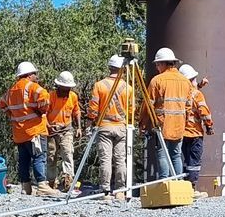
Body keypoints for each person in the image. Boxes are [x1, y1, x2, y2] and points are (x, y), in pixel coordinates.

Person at [0, 61, 53, 196]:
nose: (36, 76)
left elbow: (2, 104)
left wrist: (13, 115)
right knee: (39, 157)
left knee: (24, 160)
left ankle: (26, 187)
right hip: (34, 130)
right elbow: (45, 98)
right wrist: (42, 111)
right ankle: (42, 186)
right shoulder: (33, 87)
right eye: (34, 73)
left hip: (19, 133)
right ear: (28, 75)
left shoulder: (11, 91)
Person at [140, 47, 191, 180]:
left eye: (157, 64)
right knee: (176, 154)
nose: (157, 67)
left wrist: (143, 124)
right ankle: (178, 183)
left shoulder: (157, 81)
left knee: (162, 154)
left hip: (161, 125)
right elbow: (189, 106)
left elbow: (148, 105)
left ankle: (165, 182)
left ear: (163, 63)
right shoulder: (185, 81)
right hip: (179, 125)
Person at [87, 54, 132, 196]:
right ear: (122, 70)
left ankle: (105, 190)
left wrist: (89, 122)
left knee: (105, 159)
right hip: (121, 127)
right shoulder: (128, 88)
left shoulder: (99, 85)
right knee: (120, 160)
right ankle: (120, 190)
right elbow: (131, 110)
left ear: (109, 67)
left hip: (104, 126)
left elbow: (93, 108)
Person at [46, 70, 81, 191]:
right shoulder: (50, 96)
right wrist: (48, 126)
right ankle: (51, 182)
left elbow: (76, 112)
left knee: (67, 153)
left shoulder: (73, 96)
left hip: (67, 129)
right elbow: (44, 114)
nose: (67, 90)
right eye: (65, 87)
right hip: (52, 130)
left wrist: (79, 128)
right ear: (59, 86)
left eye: (68, 88)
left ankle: (68, 180)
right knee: (51, 156)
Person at [179, 63, 213, 186]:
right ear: (192, 79)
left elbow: (189, 98)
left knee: (186, 160)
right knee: (194, 162)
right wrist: (209, 125)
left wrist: (199, 85)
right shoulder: (197, 94)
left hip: (182, 133)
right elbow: (204, 111)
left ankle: (184, 184)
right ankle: (192, 186)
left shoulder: (180, 94)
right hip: (195, 133)